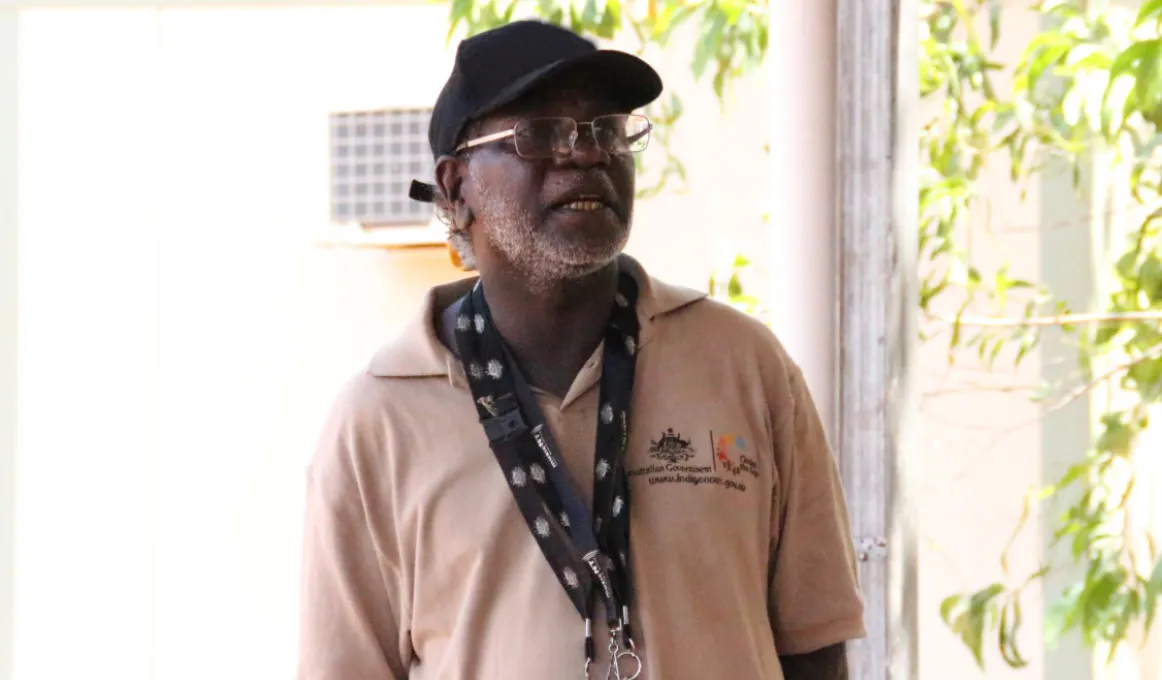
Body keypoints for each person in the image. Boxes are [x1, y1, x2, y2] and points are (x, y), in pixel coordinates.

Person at [297, 19, 866, 680]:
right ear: (455, 188)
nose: (586, 153)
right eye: (538, 134)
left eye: (607, 130)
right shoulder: (379, 420)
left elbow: (815, 648)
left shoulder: (742, 364)